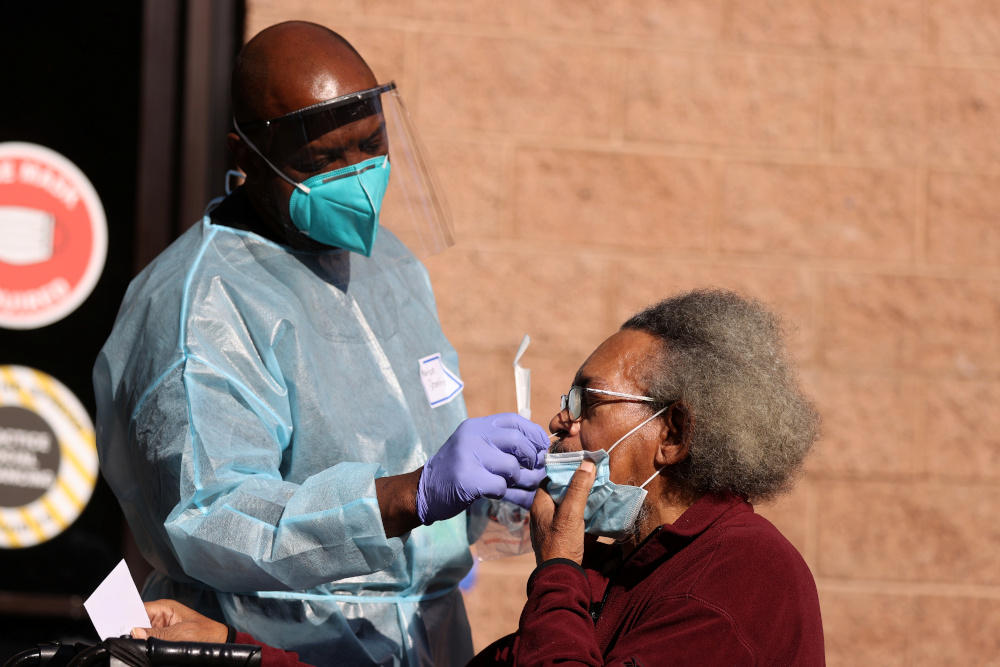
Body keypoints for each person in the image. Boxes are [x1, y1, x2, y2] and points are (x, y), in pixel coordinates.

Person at [93, 21, 548, 667]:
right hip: (277, 644)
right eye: (321, 160)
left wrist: (501, 493)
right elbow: (212, 518)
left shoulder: (388, 264)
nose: (356, 175)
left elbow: (414, 440)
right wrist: (403, 496)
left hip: (427, 638)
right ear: (246, 154)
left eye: (370, 144)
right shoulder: (198, 303)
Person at [132, 289, 825, 665]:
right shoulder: (621, 569)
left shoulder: (743, 575)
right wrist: (225, 649)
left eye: (589, 401)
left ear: (672, 433)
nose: (561, 422)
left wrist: (556, 572)